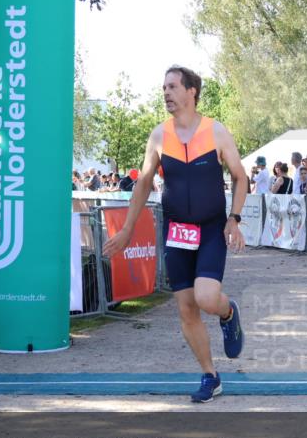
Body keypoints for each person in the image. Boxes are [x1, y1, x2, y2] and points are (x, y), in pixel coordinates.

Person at [103, 65, 247, 403]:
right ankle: (211, 376)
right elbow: (142, 184)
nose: (166, 93)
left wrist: (234, 219)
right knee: (186, 308)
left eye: (172, 86)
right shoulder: (158, 135)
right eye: (163, 88)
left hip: (211, 228)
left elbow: (241, 177)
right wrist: (126, 230)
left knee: (207, 298)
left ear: (191, 91)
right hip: (176, 231)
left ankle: (228, 313)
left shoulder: (216, 132)